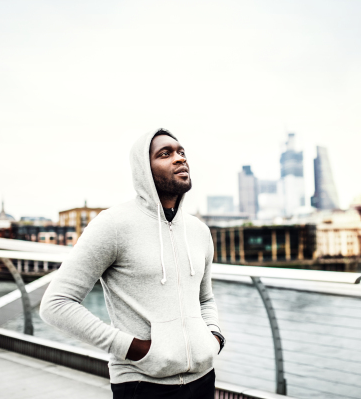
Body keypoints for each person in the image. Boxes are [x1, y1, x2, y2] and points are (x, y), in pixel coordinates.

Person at [40, 129, 225, 399]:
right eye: (166, 153)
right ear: (143, 168)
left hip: (203, 379)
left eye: (181, 152)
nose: (179, 158)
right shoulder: (114, 225)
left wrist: (214, 339)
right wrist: (136, 349)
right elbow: (56, 304)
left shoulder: (199, 231)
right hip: (141, 385)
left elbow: (205, 299)